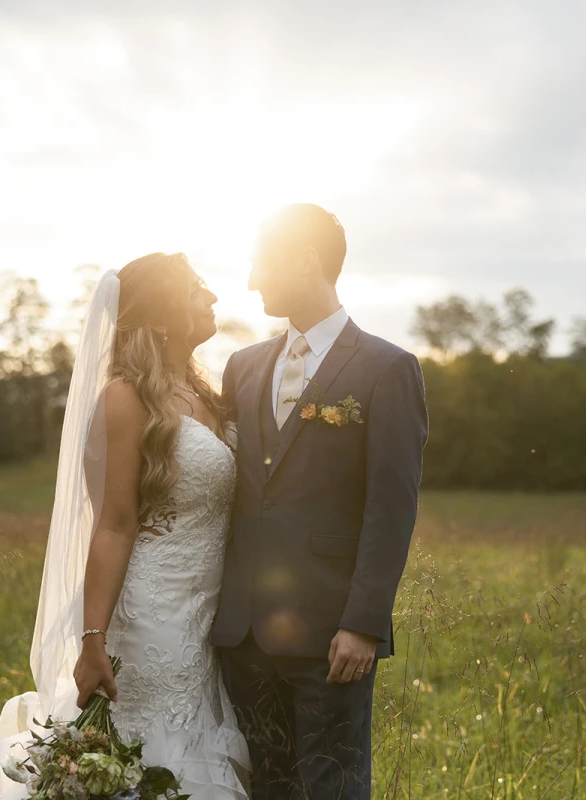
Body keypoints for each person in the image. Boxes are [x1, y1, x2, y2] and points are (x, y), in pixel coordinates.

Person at [0, 253, 250, 800]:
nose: (212, 298)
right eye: (196, 289)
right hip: (152, 619)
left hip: (203, 618)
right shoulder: (125, 396)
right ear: (160, 315)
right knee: (152, 757)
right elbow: (112, 523)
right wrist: (93, 640)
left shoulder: (204, 393)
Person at [213, 204, 429, 799]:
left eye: (262, 264)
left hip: (334, 635)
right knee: (265, 787)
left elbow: (392, 508)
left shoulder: (388, 369)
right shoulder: (243, 367)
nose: (252, 280)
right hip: (244, 634)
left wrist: (362, 624)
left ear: (307, 260)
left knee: (333, 787)